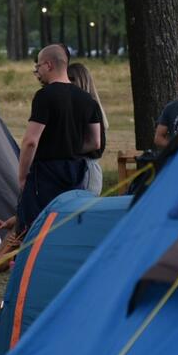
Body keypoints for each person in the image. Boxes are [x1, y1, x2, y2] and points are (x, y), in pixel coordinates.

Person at [16, 45, 101, 233]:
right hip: (75, 172)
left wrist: (22, 177)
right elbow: (95, 142)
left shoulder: (44, 96)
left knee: (37, 227)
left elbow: (30, 141)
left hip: (46, 174)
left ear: (48, 65)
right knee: (66, 226)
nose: (37, 71)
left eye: (38, 66)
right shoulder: (87, 99)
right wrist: (69, 147)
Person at [67, 61, 108, 194]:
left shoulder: (89, 106)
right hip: (80, 169)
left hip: (86, 170)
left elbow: (95, 144)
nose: (67, 83)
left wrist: (66, 150)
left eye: (71, 79)